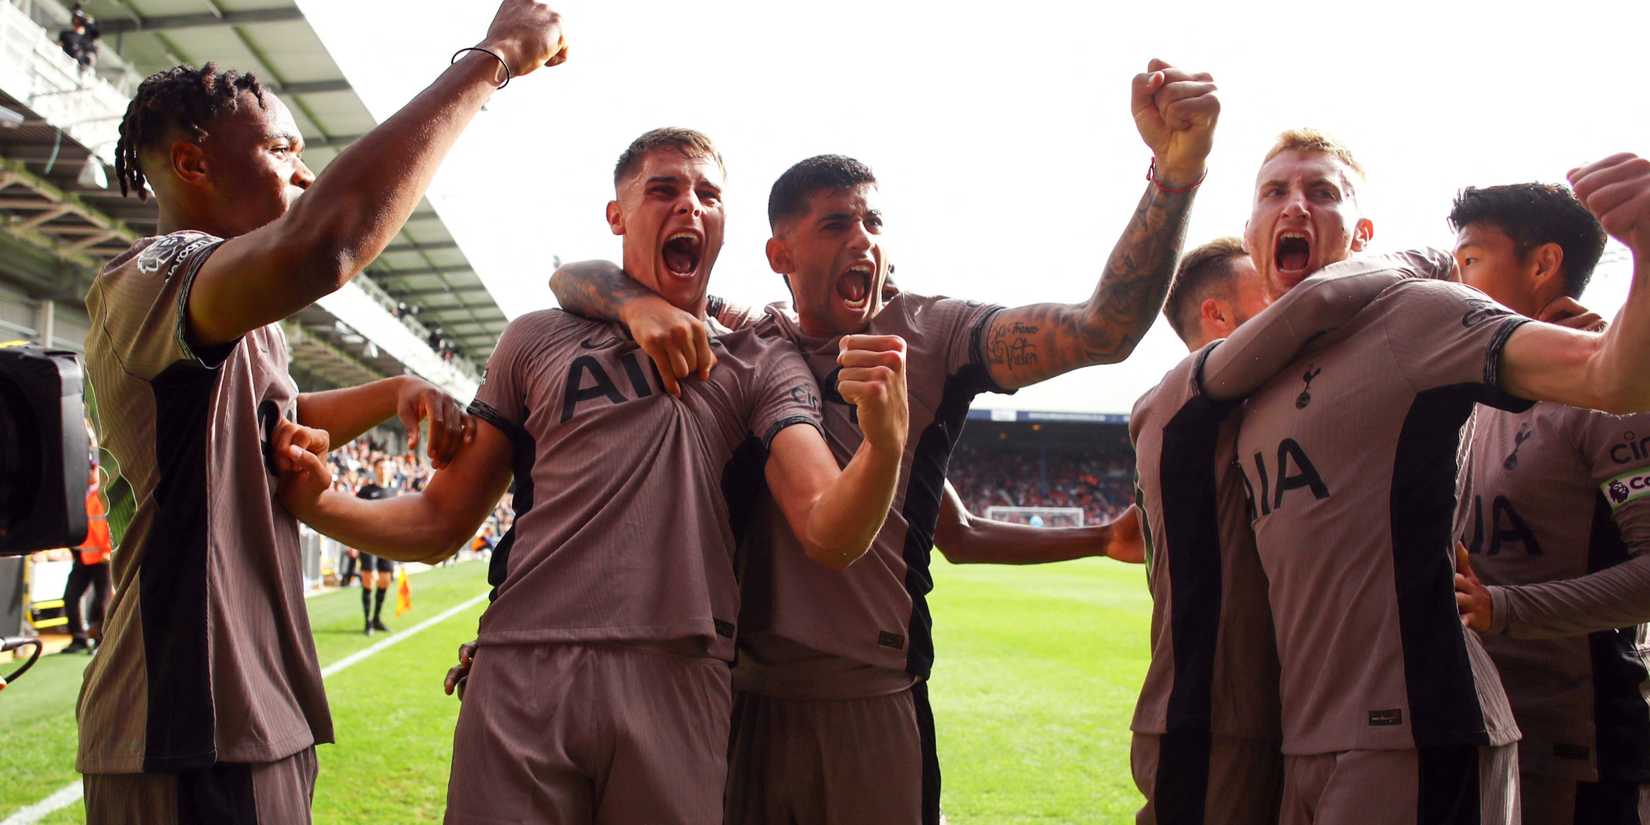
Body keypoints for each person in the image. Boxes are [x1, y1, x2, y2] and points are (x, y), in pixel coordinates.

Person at [545, 59, 1217, 824]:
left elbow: (1102, 330)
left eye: (874, 223)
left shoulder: (935, 335)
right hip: (738, 699)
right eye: (837, 224)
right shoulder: (749, 338)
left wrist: (1174, 174)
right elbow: (574, 277)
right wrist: (635, 304)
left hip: (873, 703)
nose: (864, 240)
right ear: (782, 255)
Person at [276, 126, 910, 824]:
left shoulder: (761, 360)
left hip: (680, 673)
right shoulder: (535, 339)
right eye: (663, 190)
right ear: (617, 216)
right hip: (523, 666)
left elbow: (828, 528)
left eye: (708, 195)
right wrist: (323, 502)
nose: (690, 208)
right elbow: (439, 522)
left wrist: (883, 447)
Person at [74, 3, 567, 822]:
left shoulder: (228, 319)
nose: (303, 174)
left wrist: (392, 392)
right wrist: (492, 58)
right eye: (282, 150)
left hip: (246, 716)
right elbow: (327, 241)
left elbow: (261, 423)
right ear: (194, 163)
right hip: (185, 722)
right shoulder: (160, 269)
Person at [1231, 132, 1650, 825]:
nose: (1295, 207)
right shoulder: (1265, 378)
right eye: (1273, 192)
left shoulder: (1424, 324)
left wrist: (1508, 607)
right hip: (1330, 739)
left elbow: (1616, 375)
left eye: (1323, 192)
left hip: (1533, 745)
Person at [1129, 236, 1454, 824]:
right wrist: (1423, 258)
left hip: (1262, 712)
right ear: (1218, 315)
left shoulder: (1252, 411)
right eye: (1269, 294)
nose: (1288, 299)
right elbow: (1316, 306)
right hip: (1210, 714)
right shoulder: (1187, 394)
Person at [1446, 183, 1650, 824]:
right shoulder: (1471, 395)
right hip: (1482, 734)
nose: (1457, 281)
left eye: (1472, 259)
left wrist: (1504, 609)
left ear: (1542, 265)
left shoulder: (1614, 391)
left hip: (1581, 754)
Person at [60, 461, 113, 655]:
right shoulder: (81, 495)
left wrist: (108, 551)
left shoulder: (102, 495)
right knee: (70, 596)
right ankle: (79, 639)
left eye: (92, 469)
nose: (90, 472)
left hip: (103, 558)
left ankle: (102, 643)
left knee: (104, 601)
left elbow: (108, 527)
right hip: (83, 557)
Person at [355, 459, 399, 635]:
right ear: (375, 469)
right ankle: (367, 623)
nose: (383, 470)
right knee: (368, 579)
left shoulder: (394, 492)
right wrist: (352, 542)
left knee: (385, 580)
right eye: (380, 467)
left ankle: (376, 618)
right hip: (367, 542)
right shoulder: (366, 491)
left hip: (387, 544)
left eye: (386, 467)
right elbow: (354, 516)